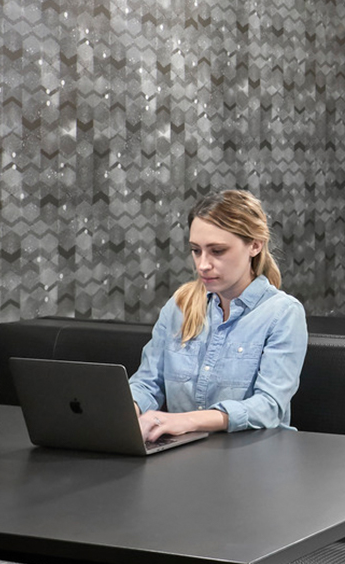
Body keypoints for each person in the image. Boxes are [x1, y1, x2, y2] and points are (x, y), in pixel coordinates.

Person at [129, 189, 308, 442]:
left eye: (218, 251)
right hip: (185, 453)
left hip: (255, 453)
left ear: (255, 245)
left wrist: (186, 421)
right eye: (196, 250)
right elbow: (148, 383)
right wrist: (125, 412)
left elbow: (268, 406)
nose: (203, 265)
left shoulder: (283, 313)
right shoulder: (180, 306)